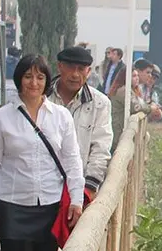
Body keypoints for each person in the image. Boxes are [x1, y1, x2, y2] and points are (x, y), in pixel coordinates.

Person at [0, 55, 85, 251]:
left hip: (47, 201)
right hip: (11, 200)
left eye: (40, 78)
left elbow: (72, 160)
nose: (34, 83)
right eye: (28, 77)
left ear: (47, 82)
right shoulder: (2, 117)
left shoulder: (60, 117)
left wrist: (75, 198)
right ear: (19, 79)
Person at [48, 46, 114, 205]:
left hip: (79, 189)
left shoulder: (100, 103)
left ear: (89, 71)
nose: (75, 74)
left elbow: (101, 148)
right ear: (60, 66)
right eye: (70, 67)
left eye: (81, 69)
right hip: (42, 190)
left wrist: (89, 188)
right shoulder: (42, 97)